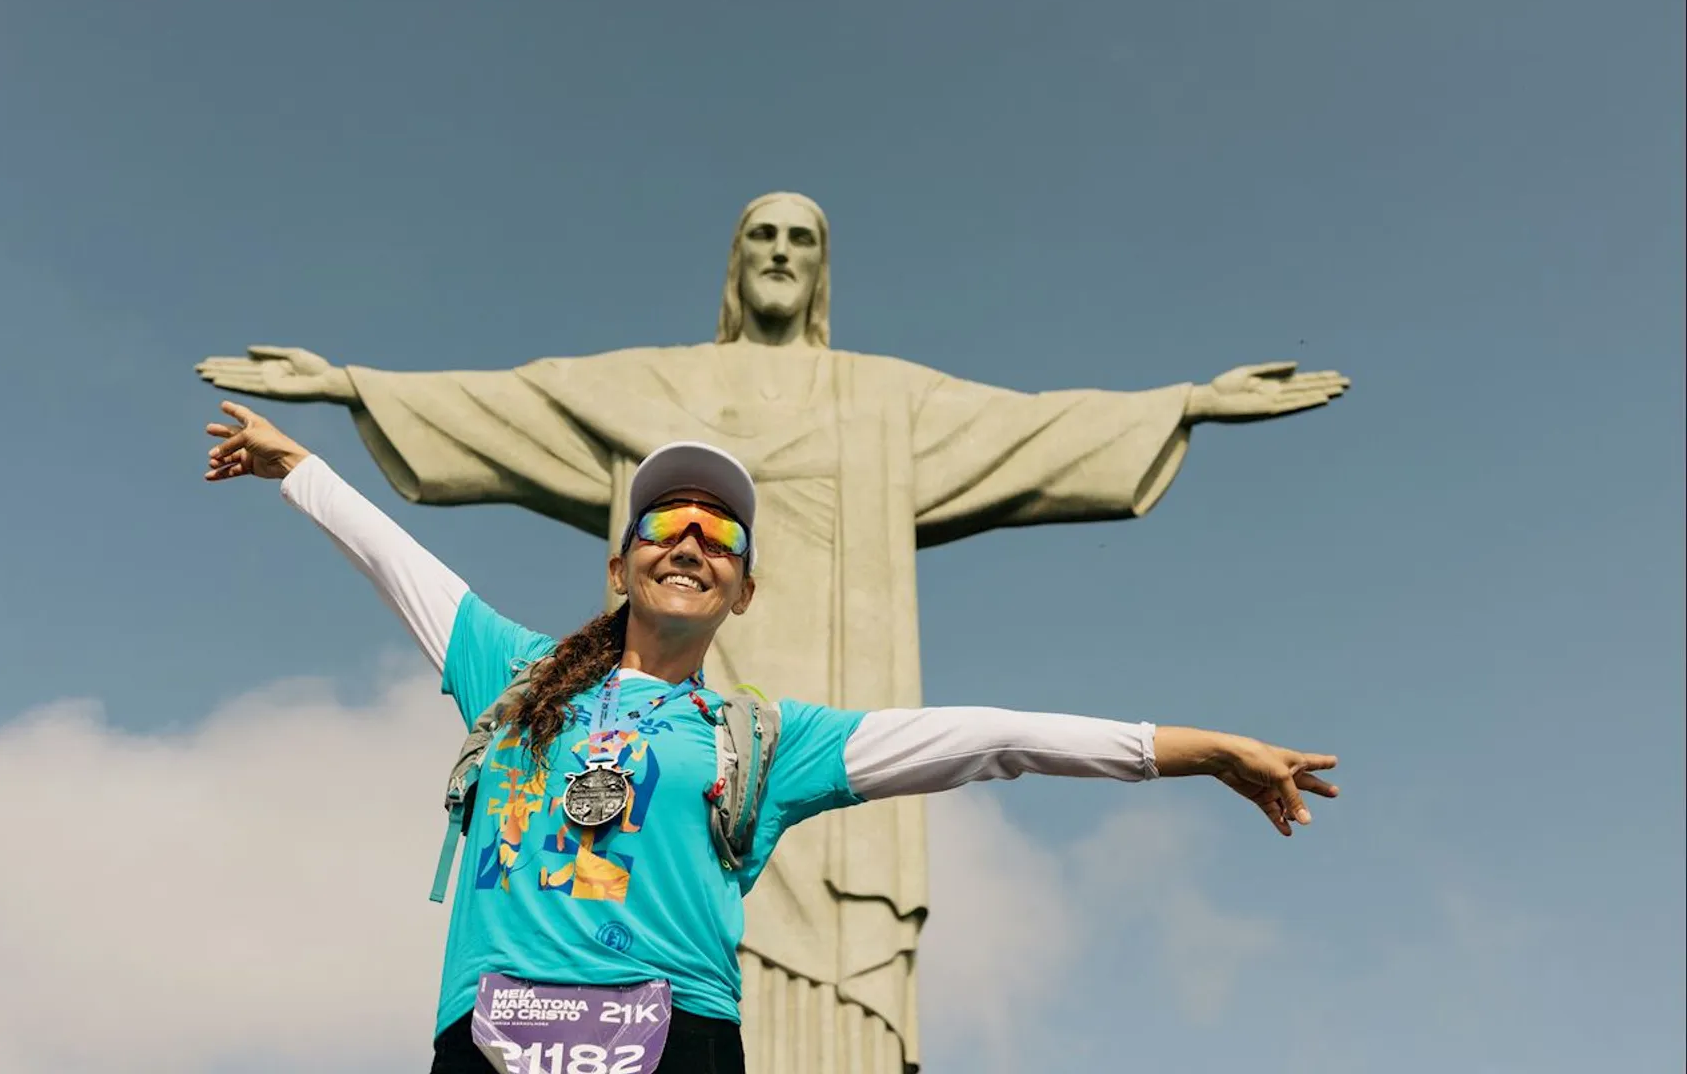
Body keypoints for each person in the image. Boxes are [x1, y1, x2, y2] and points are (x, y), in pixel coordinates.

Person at [204, 400, 1339, 1074]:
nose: (690, 538)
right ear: (620, 560)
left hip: (677, 1037)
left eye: (719, 532)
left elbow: (985, 736)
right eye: (665, 519)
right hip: (494, 1039)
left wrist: (1198, 748)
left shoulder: (765, 738)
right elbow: (399, 559)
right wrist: (296, 465)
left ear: (744, 588)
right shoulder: (511, 672)